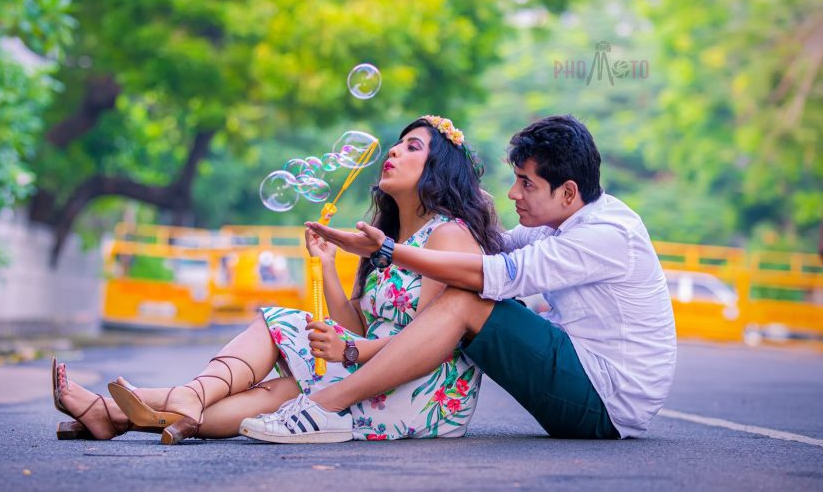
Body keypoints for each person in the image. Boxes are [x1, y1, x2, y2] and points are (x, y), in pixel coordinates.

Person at [51, 116, 505, 443]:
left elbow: (431, 340)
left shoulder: (447, 235)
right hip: (371, 372)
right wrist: (327, 266)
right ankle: (116, 415)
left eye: (413, 147)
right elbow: (361, 328)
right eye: (397, 143)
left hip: (422, 394)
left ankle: (156, 402)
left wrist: (351, 350)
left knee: (281, 323)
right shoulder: (385, 242)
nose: (393, 151)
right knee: (280, 393)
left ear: (440, 169)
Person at [241, 115, 677, 442]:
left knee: (469, 299)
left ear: (566, 191)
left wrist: (388, 251)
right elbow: (495, 247)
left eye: (526, 184)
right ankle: (309, 403)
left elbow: (499, 274)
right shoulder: (556, 223)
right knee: (470, 292)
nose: (513, 194)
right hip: (579, 373)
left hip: (608, 400)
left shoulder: (605, 234)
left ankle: (324, 405)